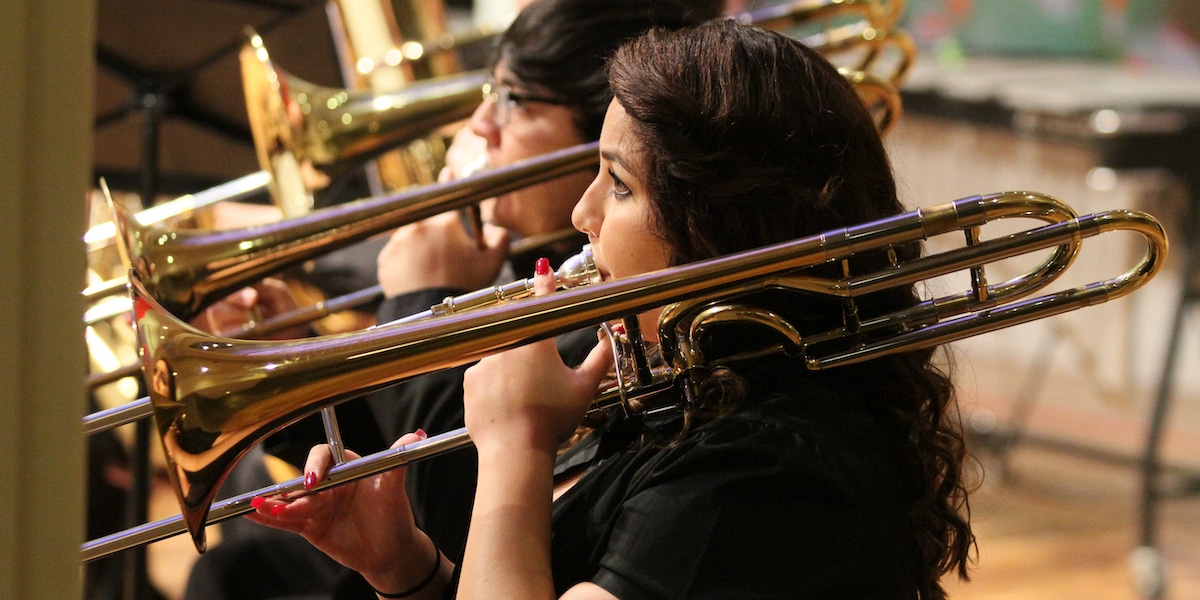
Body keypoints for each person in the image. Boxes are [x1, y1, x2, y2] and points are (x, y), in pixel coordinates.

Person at [247, 18, 977, 600]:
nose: (580, 212)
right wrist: (407, 570)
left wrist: (516, 449)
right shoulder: (687, 390)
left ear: (719, 230)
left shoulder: (768, 474)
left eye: (619, 186)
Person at [183, 2, 722, 599]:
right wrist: (403, 570)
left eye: (514, 99)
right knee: (230, 575)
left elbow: (453, 503)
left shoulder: (623, 318)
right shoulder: (557, 270)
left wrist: (420, 295)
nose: (479, 125)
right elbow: (436, 450)